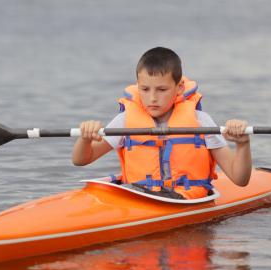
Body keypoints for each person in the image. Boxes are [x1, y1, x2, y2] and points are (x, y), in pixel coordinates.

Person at [72, 47, 252, 200]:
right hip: (139, 196)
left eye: (162, 89)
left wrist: (242, 144)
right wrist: (85, 138)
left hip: (185, 200)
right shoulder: (125, 121)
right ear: (137, 86)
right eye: (145, 89)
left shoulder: (200, 121)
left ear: (179, 88)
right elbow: (81, 160)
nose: (152, 98)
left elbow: (239, 178)